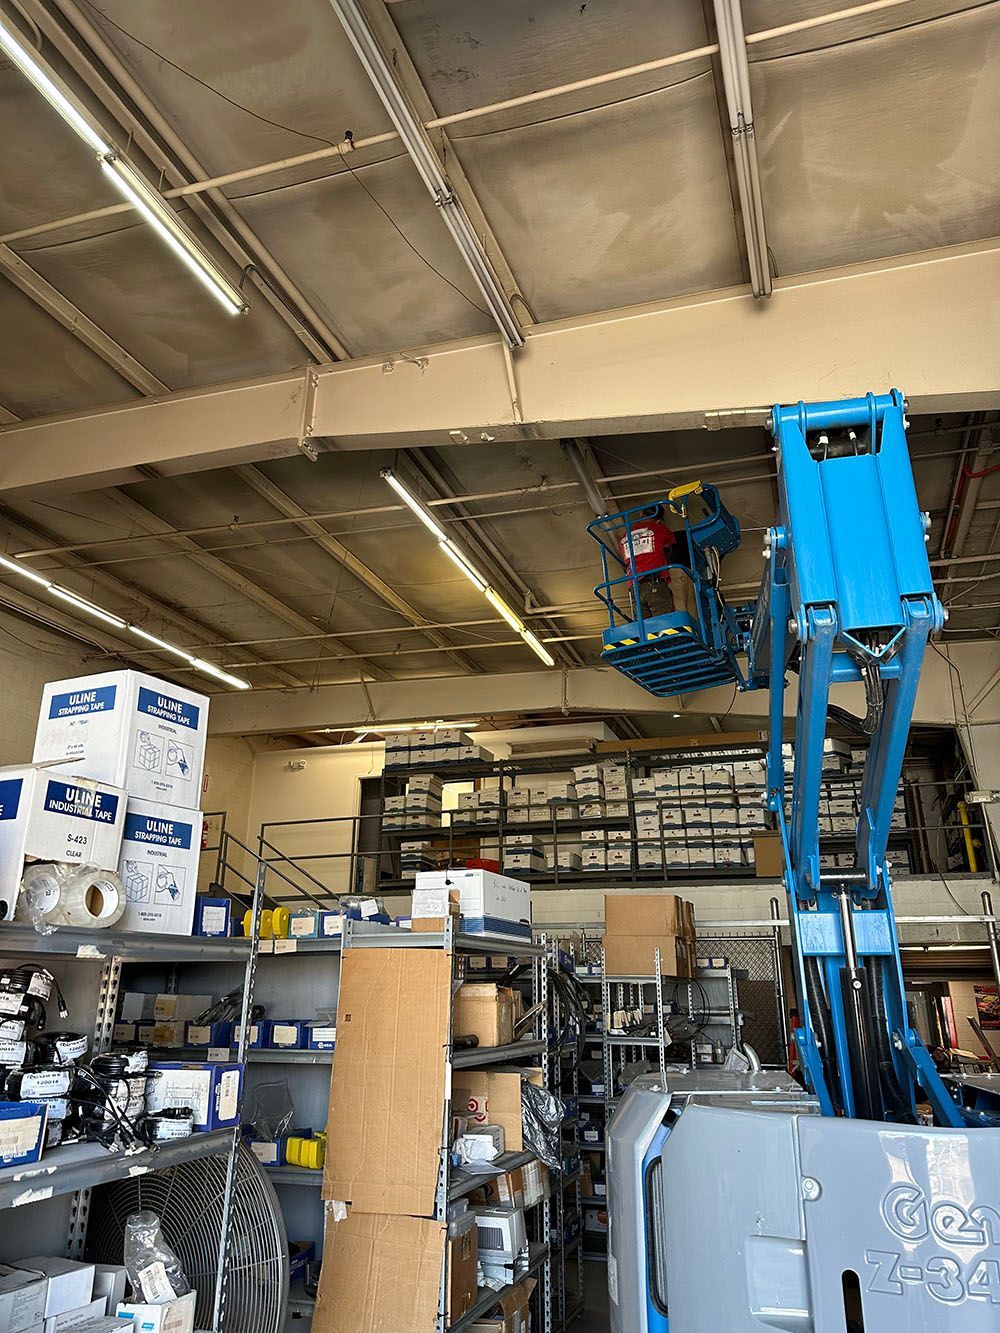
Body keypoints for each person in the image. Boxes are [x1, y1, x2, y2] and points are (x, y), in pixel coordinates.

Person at [618, 503, 676, 618]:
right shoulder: (659, 528)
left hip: (634, 587)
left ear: (641, 514)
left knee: (645, 626)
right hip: (653, 582)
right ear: (658, 520)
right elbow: (670, 544)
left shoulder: (626, 535)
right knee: (664, 622)